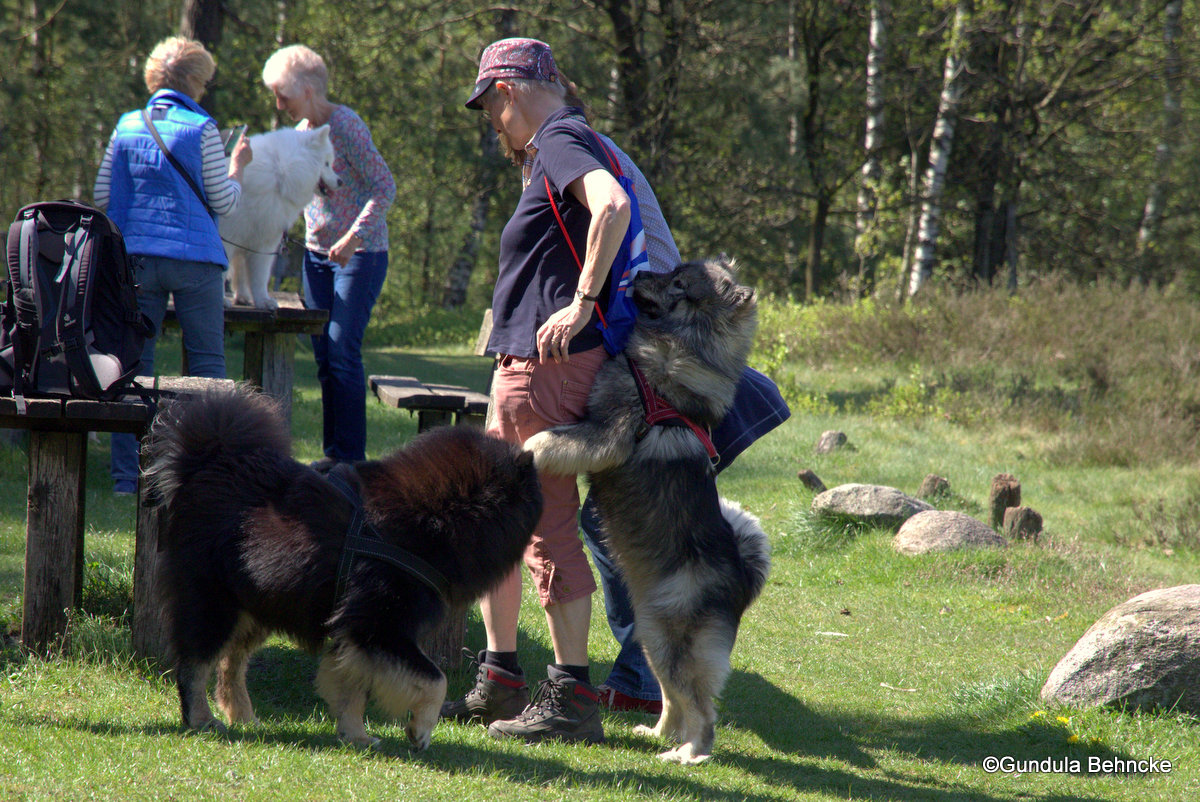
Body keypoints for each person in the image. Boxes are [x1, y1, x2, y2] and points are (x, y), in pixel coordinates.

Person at [441, 37, 636, 745]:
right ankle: (501, 679)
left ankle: (572, 697)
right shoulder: (558, 144)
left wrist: (581, 300)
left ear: (509, 90)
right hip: (526, 365)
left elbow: (610, 206)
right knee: (504, 517)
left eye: (489, 106)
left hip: (548, 370)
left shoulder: (560, 139)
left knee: (545, 524)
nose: (492, 122)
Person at [95, 35, 252, 496]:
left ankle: (129, 477)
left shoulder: (126, 126)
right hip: (196, 260)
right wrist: (237, 168)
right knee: (206, 368)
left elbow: (104, 197)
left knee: (132, 366)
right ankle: (209, 475)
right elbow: (222, 201)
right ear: (196, 80)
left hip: (135, 261)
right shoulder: (202, 129)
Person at [262, 45, 396, 465]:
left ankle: (352, 465)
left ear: (306, 89)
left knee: (341, 353)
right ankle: (333, 458)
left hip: (360, 255)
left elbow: (384, 187)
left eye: (282, 94)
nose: (278, 104)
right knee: (323, 359)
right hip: (316, 258)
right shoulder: (302, 131)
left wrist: (354, 237)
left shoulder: (347, 125)